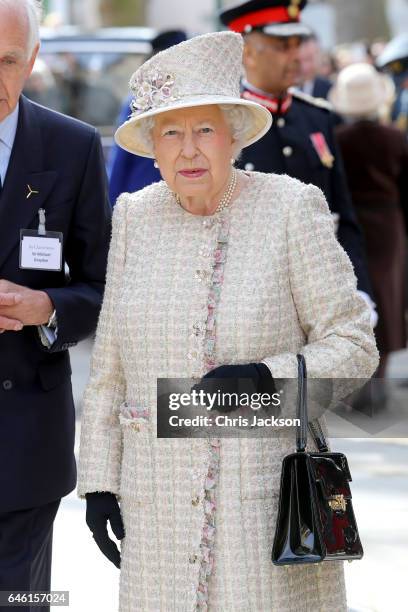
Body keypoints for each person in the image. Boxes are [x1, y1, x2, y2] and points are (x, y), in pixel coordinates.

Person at [77, 31, 378, 611]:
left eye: (204, 130)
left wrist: (267, 381)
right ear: (152, 148)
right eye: (171, 133)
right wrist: (97, 482)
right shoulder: (134, 217)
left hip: (265, 506)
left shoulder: (291, 207)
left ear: (234, 137)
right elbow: (110, 369)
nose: (188, 151)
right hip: (156, 509)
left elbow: (355, 345)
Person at [0, 0, 111, 606]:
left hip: (24, 441)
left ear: (33, 60)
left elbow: (102, 287)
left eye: (8, 61)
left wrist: (46, 308)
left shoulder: (71, 146)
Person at [220, 0, 376, 316]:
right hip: (251, 303)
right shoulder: (224, 121)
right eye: (281, 46)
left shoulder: (317, 117)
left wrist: (359, 288)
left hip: (323, 293)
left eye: (298, 43)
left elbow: (343, 212)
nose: (295, 55)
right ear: (248, 53)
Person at [330, 63, 408, 379]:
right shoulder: (396, 138)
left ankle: (358, 372)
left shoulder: (336, 139)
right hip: (389, 225)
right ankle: (382, 369)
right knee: (388, 296)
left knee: (357, 294)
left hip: (351, 225)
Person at [108, 30, 187, 204]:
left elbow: (119, 163)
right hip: (142, 198)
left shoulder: (194, 101)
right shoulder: (139, 102)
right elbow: (121, 157)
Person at [297, 30, 333, 99]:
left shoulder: (330, 90)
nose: (305, 67)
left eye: (309, 59)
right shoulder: (285, 91)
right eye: (300, 60)